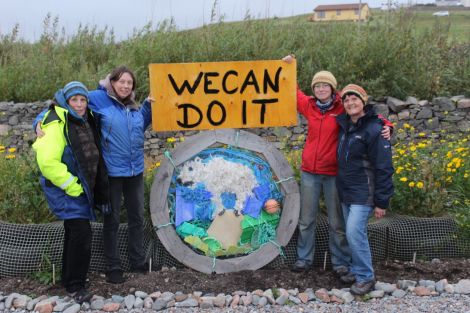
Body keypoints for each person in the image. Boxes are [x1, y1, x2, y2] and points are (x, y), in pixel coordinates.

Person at [35, 66, 153, 284]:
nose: (126, 86)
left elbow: (140, 127)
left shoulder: (134, 107)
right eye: (122, 82)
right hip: (112, 171)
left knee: (137, 217)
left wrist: (148, 107)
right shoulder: (98, 98)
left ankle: (137, 261)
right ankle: (113, 266)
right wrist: (38, 122)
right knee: (113, 219)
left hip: (135, 170)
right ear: (112, 82)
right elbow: (65, 104)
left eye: (130, 83)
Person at [281, 55, 392, 280]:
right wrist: (290, 65)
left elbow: (369, 114)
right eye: (317, 85)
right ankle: (304, 259)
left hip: (333, 174)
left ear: (333, 88)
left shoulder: (343, 106)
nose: (321, 89)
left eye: (325, 85)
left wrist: (388, 125)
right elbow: (293, 91)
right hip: (310, 172)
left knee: (337, 222)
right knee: (306, 220)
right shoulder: (309, 105)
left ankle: (340, 263)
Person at [32, 81, 110, 303]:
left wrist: (102, 85)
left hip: (78, 188)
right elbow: (47, 162)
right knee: (82, 234)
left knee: (73, 233)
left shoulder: (83, 119)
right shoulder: (55, 120)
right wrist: (72, 185)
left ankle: (69, 280)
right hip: (67, 189)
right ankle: (76, 286)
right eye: (74, 100)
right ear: (66, 101)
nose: (78, 104)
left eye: (82, 99)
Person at [336, 84, 394, 295]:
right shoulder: (344, 126)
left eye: (355, 99)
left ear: (363, 101)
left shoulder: (376, 128)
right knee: (353, 234)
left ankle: (366, 277)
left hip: (364, 192)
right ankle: (356, 269)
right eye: (346, 100)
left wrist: (381, 201)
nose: (350, 103)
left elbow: (384, 166)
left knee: (354, 233)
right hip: (346, 191)